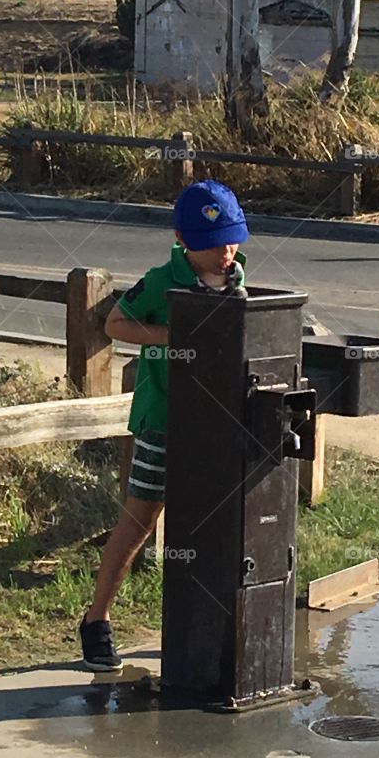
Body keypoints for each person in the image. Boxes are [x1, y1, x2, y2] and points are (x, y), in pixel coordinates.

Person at [79, 179, 249, 671]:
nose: (226, 251)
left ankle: (204, 622)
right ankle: (97, 620)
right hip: (164, 420)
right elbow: (114, 324)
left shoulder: (238, 276)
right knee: (139, 521)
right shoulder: (161, 280)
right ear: (182, 241)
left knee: (214, 522)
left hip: (216, 420)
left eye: (232, 238)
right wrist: (169, 336)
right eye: (213, 243)